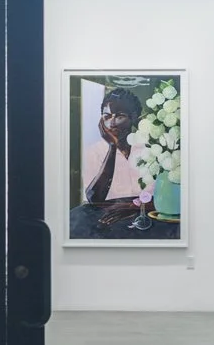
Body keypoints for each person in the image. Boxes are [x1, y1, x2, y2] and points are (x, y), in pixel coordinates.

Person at [68, 83, 177, 241]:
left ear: (134, 118)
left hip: (147, 215)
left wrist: (132, 207)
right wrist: (112, 147)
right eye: (106, 116)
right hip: (105, 217)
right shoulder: (94, 152)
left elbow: (166, 197)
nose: (111, 123)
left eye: (119, 116)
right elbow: (94, 199)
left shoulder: (152, 149)